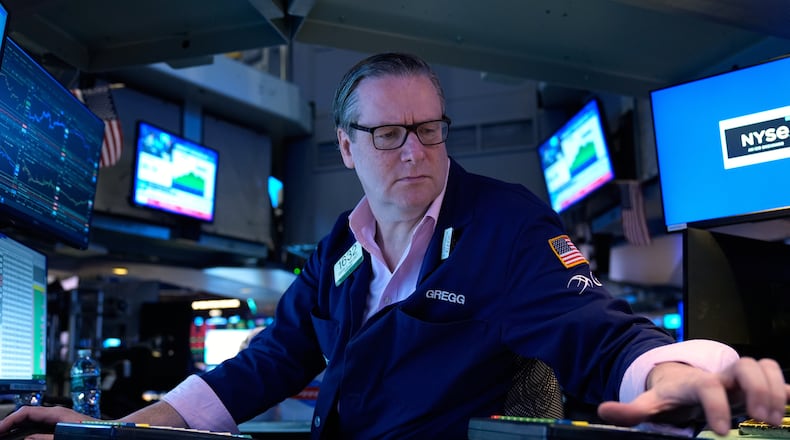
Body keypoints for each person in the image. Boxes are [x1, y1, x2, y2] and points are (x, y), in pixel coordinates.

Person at [2, 52, 788, 439]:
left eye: (428, 130)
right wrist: (115, 436)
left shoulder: (505, 224)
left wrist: (682, 369)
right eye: (387, 134)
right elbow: (267, 363)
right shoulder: (339, 249)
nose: (414, 151)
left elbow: (595, 330)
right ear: (347, 148)